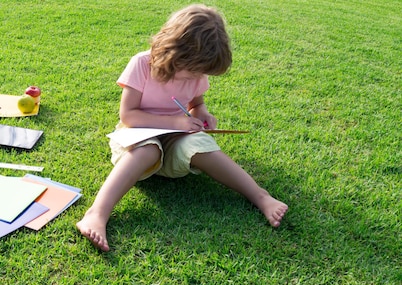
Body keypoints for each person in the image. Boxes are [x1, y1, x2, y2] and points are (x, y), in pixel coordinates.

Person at [76, 4, 288, 252]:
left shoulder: (197, 74)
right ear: (175, 50)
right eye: (193, 71)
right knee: (148, 151)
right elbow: (129, 115)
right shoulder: (142, 64)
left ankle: (260, 196)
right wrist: (175, 122)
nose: (196, 77)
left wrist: (203, 115)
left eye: (201, 72)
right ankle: (97, 214)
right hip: (137, 137)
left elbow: (197, 103)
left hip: (177, 138)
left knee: (201, 145)